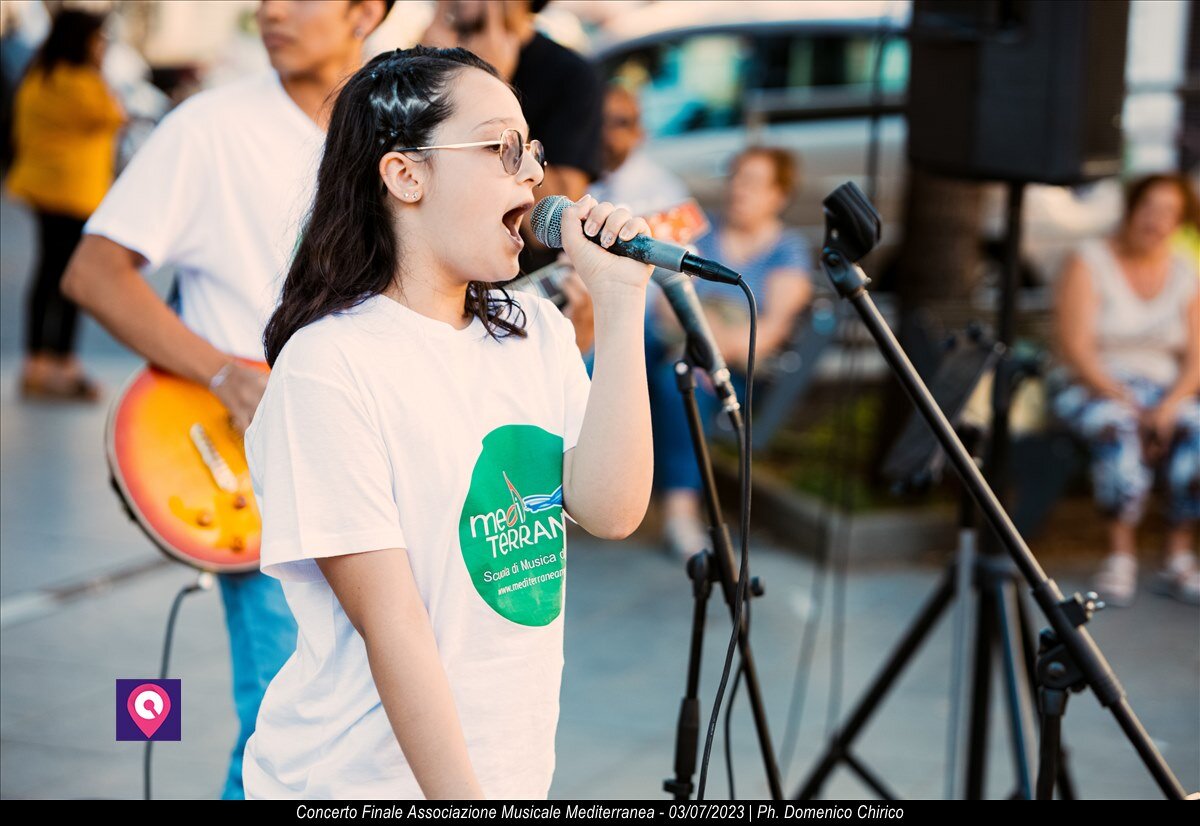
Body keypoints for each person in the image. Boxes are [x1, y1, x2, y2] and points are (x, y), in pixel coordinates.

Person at [240, 45, 652, 799]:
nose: (533, 173)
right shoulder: (331, 367)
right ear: (405, 175)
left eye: (530, 150)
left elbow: (611, 509)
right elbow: (395, 627)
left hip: (511, 769)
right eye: (502, 147)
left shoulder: (535, 331)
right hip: (360, 783)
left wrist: (622, 305)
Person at [61, 0, 394, 799]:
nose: (270, 9)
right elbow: (93, 271)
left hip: (377, 465)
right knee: (285, 729)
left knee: (368, 730)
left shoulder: (402, 129)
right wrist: (222, 372)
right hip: (257, 472)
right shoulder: (209, 127)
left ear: (366, 11)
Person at [647, 146, 814, 560]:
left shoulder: (788, 249)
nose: (740, 189)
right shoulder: (698, 227)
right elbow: (663, 309)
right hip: (678, 347)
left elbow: (770, 331)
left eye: (754, 182)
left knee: (677, 382)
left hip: (737, 372)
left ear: (779, 194)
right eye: (736, 177)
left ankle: (681, 513)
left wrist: (709, 350)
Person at [1052, 173, 1200, 607]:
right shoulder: (1089, 261)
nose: (1156, 221)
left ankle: (1179, 554)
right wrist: (1131, 404)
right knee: (1116, 427)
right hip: (1095, 385)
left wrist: (1169, 406)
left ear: (1180, 222)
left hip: (1164, 390)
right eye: (1149, 208)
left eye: (1169, 213)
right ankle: (1121, 555)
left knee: (1196, 428)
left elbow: (1196, 359)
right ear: (1132, 209)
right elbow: (1076, 349)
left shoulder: (1187, 273)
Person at [6, 8, 123, 400]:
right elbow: (114, 114)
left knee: (46, 273)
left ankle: (36, 363)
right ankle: (63, 362)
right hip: (76, 193)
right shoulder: (83, 83)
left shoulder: (38, 78)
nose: (103, 47)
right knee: (71, 277)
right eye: (99, 40)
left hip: (41, 188)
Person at [590, 83, 689, 218]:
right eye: (598, 122)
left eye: (618, 123)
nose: (604, 133)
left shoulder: (664, 190)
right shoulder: (581, 176)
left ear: (638, 131)